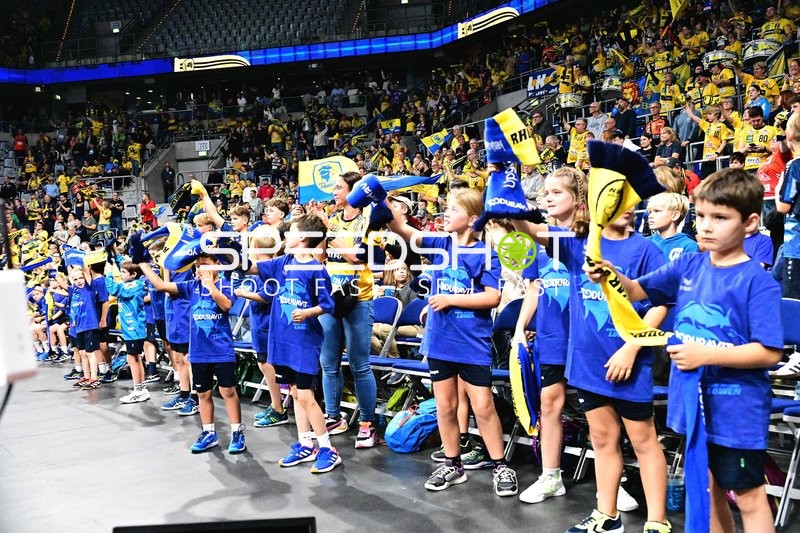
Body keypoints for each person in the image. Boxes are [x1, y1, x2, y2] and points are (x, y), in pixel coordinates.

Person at [598, 168, 783, 533]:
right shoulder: (689, 264)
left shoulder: (757, 281)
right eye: (701, 216)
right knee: (706, 486)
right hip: (693, 402)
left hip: (736, 409)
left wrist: (706, 355)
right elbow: (636, 290)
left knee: (747, 495)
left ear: (750, 223)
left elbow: (769, 353)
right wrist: (609, 275)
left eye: (720, 217)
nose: (707, 226)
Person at [513, 195, 670, 532]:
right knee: (601, 439)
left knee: (644, 442)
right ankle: (606, 515)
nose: (628, 206)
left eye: (631, 200)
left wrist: (631, 347)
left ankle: (657, 522)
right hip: (587, 363)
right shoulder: (577, 245)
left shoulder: (646, 250)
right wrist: (507, 201)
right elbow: (530, 230)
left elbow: (661, 303)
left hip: (629, 362)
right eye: (617, 199)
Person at [385, 187, 519, 497]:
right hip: (440, 340)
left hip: (472, 340)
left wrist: (450, 299)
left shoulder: (486, 252)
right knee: (446, 405)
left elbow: (492, 296)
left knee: (483, 406)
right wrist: (380, 200)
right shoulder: (439, 243)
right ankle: (453, 463)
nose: (445, 214)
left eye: (453, 210)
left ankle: (499, 464)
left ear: (472, 219)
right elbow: (401, 228)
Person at [515, 167, 586, 504]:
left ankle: (612, 482)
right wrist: (519, 327)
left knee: (602, 412)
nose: (547, 197)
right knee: (549, 405)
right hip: (552, 336)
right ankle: (551, 476)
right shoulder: (539, 245)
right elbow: (534, 288)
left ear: (577, 197)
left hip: (588, 338)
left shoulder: (588, 238)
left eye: (556, 192)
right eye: (545, 192)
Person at [254, 213, 340, 473]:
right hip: (283, 341)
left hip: (304, 341)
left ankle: (327, 447)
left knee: (305, 395)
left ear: (302, 237)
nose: (285, 235)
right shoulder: (283, 262)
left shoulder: (316, 269)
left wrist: (307, 313)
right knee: (294, 392)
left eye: (289, 231)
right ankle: (305, 444)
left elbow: (327, 304)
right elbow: (251, 268)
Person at [141, 253, 246, 455]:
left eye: (204, 265)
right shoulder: (191, 286)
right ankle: (208, 432)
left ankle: (237, 432)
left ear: (218, 265)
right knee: (203, 393)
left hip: (221, 350)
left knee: (228, 392)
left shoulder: (225, 285)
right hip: (198, 352)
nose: (199, 269)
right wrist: (142, 264)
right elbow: (162, 286)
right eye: (197, 266)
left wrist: (210, 285)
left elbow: (226, 306)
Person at [309, 172, 379, 448]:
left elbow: (359, 256)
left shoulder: (369, 222)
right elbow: (320, 258)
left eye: (339, 187)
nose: (334, 192)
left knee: (360, 364)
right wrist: (318, 230)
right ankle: (334, 416)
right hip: (330, 299)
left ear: (353, 192)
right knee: (328, 363)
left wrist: (330, 232)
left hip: (358, 298)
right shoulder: (333, 220)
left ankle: (367, 423)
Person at [235, 233, 289, 428]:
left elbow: (267, 295)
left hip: (267, 323)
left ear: (256, 249)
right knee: (262, 364)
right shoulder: (259, 270)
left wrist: (244, 294)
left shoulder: (268, 270)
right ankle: (275, 405)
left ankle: (278, 409)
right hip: (259, 321)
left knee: (267, 365)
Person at [104, 262, 149, 403]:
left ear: (133, 275)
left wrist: (109, 273)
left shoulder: (135, 285)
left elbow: (114, 289)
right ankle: (141, 389)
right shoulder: (132, 284)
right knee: (135, 358)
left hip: (134, 328)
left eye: (123, 272)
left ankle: (138, 390)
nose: (121, 275)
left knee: (133, 359)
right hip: (130, 329)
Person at [776, 112, 800, 299]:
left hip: (796, 247)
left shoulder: (794, 166)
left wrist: (778, 188)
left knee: (793, 301)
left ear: (789, 136)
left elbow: (784, 206)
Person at [647, 193, 700, 260]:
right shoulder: (645, 243)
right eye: (650, 212)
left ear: (675, 216)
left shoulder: (688, 246)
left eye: (657, 211)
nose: (650, 216)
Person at [684, 103, 730, 179]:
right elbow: (692, 116)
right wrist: (686, 105)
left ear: (716, 115)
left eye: (709, 114)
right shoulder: (706, 125)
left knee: (717, 180)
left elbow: (724, 142)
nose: (707, 116)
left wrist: (716, 154)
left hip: (716, 158)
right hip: (706, 158)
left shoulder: (722, 126)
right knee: (705, 180)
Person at [737, 107, 778, 173]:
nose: (756, 123)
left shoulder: (772, 130)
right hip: (748, 168)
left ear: (763, 117)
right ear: (750, 119)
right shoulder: (744, 132)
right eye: (753, 121)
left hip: (765, 166)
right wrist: (746, 149)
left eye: (758, 120)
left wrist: (764, 148)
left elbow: (777, 151)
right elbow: (739, 152)